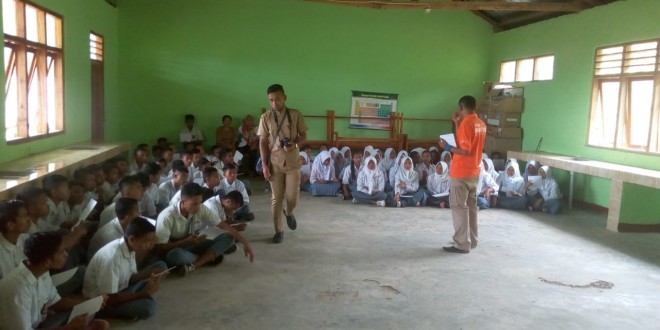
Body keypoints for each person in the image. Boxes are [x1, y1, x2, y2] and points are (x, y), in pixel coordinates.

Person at [0, 232, 109, 330]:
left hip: (39, 323)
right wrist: (69, 327)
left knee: (84, 312)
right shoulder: (17, 290)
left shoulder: (42, 271)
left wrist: (87, 302)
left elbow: (55, 302)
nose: (66, 255)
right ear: (47, 262)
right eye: (61, 252)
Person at [155, 183, 254, 276]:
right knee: (174, 256)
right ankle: (209, 257)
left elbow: (224, 226)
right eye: (194, 204)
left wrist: (245, 243)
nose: (198, 207)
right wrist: (185, 242)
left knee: (229, 236)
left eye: (199, 203)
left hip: (194, 242)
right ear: (183, 201)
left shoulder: (200, 208)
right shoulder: (167, 216)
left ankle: (196, 264)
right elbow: (159, 249)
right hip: (176, 247)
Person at [84, 217, 167, 321]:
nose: (150, 246)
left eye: (152, 241)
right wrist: (143, 294)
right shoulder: (112, 258)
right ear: (132, 239)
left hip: (121, 287)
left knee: (160, 266)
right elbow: (110, 298)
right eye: (146, 241)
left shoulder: (129, 247)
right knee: (148, 307)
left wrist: (150, 273)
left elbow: (130, 278)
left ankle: (136, 300)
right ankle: (109, 313)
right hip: (103, 302)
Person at [257, 84, 308, 244]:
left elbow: (304, 135)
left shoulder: (295, 114)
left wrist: (296, 144)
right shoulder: (265, 118)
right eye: (271, 100)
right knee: (276, 198)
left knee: (292, 197)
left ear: (284, 97)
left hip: (293, 162)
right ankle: (278, 231)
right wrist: (264, 165)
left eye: (277, 99)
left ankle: (289, 211)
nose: (274, 103)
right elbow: (263, 141)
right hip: (274, 163)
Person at [439, 95, 486, 254]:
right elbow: (464, 141)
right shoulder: (480, 123)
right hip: (474, 172)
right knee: (471, 207)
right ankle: (472, 240)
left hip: (461, 172)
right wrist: (457, 123)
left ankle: (461, 244)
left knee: (459, 208)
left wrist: (446, 147)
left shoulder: (467, 123)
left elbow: (464, 150)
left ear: (461, 107)